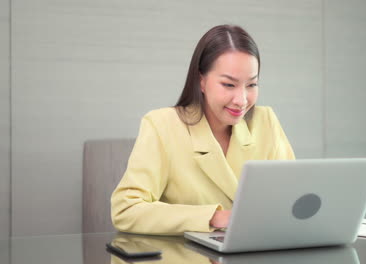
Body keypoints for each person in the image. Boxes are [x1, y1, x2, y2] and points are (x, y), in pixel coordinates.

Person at [111, 24, 295, 235]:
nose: (242, 100)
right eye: (228, 84)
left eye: (251, 85)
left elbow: (291, 201)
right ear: (201, 81)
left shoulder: (266, 122)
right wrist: (214, 217)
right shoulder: (162, 125)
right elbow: (126, 210)